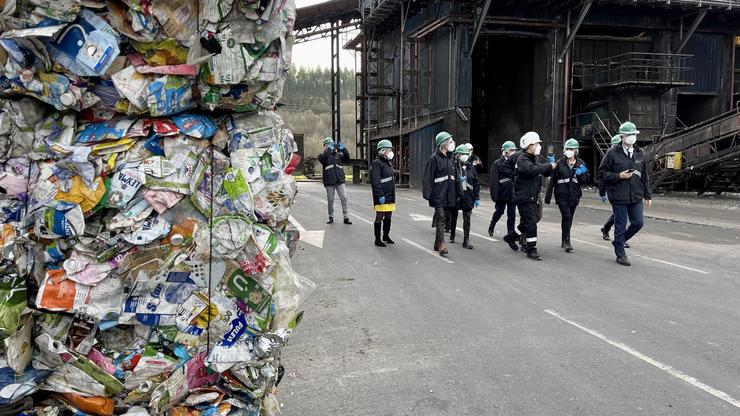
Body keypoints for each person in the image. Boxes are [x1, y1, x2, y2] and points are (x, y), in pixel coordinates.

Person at [599, 122, 652, 266]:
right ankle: (620, 255)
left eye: (634, 134)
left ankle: (619, 242)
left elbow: (644, 175)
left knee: (638, 223)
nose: (632, 137)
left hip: (635, 194)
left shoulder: (639, 152)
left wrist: (648, 194)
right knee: (620, 225)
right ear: (622, 136)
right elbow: (602, 173)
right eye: (629, 135)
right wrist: (618, 176)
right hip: (618, 195)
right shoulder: (612, 153)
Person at [514, 132, 556, 260]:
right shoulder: (522, 159)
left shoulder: (534, 158)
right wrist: (548, 166)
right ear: (530, 145)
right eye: (537, 143)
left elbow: (542, 171)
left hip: (533, 195)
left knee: (532, 219)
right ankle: (531, 249)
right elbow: (532, 170)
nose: (539, 146)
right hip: (524, 196)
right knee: (531, 223)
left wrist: (551, 167)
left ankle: (512, 235)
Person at [545, 138, 589, 253]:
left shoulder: (581, 163)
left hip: (574, 195)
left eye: (572, 149)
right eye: (568, 148)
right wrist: (548, 197)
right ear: (564, 150)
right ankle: (567, 241)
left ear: (576, 151)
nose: (569, 151)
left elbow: (584, 181)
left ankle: (564, 239)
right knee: (567, 216)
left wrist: (581, 174)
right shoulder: (559, 163)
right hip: (561, 194)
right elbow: (552, 180)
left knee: (569, 217)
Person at [423, 131, 457, 256]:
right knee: (441, 217)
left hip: (448, 194)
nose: (451, 143)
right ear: (443, 144)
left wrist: (457, 193)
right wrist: (428, 194)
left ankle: (437, 243)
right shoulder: (434, 158)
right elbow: (428, 177)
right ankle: (442, 243)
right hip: (438, 194)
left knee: (443, 218)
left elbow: (454, 177)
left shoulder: (450, 158)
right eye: (449, 141)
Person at [599, 135, 630, 249]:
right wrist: (602, 193)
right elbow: (602, 177)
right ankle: (620, 239)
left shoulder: (625, 155)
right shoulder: (609, 157)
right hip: (614, 190)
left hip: (626, 190)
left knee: (619, 215)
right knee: (620, 216)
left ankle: (606, 229)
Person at [488, 141, 520, 251]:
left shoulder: (516, 162)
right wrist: (495, 196)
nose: (513, 152)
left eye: (514, 151)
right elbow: (493, 181)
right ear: (504, 151)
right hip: (502, 193)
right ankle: (492, 224)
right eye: (511, 150)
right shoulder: (497, 163)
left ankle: (510, 235)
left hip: (512, 193)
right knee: (499, 211)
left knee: (511, 214)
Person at [449, 144, 480, 249]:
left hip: (468, 197)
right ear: (457, 155)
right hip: (457, 196)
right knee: (454, 216)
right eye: (462, 154)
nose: (465, 156)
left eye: (466, 154)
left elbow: (476, 183)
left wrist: (477, 197)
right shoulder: (453, 167)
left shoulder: (471, 168)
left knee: (467, 218)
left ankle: (466, 240)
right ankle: (452, 234)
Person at [318, 137, 352, 225]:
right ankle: (331, 217)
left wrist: (343, 149)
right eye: (329, 144)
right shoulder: (323, 155)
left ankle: (346, 217)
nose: (331, 145)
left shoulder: (338, 155)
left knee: (344, 198)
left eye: (332, 144)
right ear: (325, 145)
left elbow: (347, 159)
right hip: (329, 181)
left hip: (339, 180)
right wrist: (329, 151)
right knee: (330, 199)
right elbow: (322, 159)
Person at [370, 140, 396, 247]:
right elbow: (376, 181)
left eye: (391, 149)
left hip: (390, 195)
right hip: (382, 195)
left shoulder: (387, 162)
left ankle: (386, 235)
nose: (390, 151)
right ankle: (377, 239)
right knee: (379, 216)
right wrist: (380, 195)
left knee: (388, 216)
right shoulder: (377, 163)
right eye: (389, 149)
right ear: (382, 150)